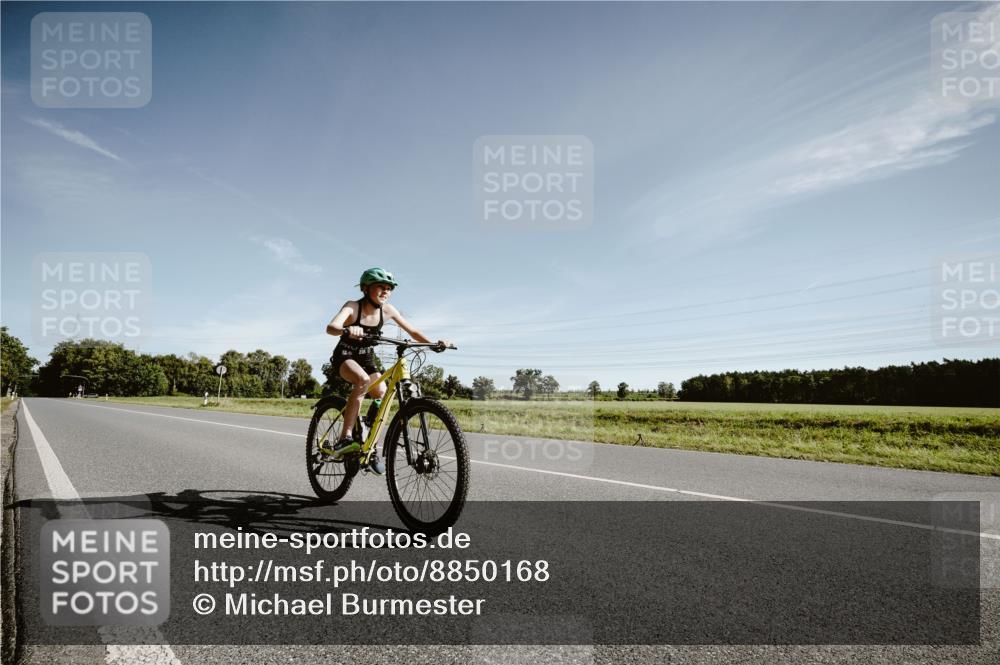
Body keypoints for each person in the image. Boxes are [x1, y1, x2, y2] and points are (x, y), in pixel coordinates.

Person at [324, 267, 450, 472]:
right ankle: (344, 438)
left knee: (382, 392)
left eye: (389, 288)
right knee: (362, 380)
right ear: (366, 288)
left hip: (366, 358)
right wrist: (347, 328)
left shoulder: (388, 310)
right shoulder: (352, 306)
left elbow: (413, 330)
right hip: (345, 356)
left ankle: (368, 440)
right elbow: (331, 327)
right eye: (381, 287)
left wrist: (433, 344)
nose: (386, 291)